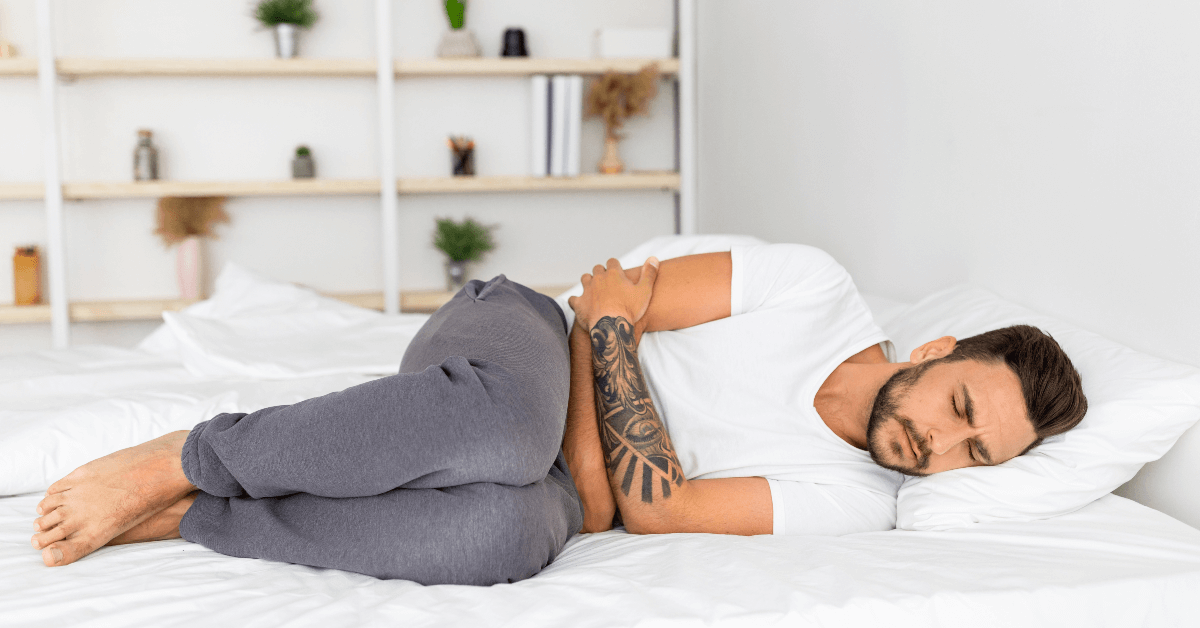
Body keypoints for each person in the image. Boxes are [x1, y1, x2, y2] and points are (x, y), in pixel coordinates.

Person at [28, 244, 1087, 585]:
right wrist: (605, 465)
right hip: (515, 342)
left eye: (971, 452)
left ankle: (195, 514)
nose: (936, 445)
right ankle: (192, 450)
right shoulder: (811, 285)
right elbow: (595, 299)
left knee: (508, 535)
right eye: (957, 406)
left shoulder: (859, 500)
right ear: (941, 351)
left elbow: (663, 518)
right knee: (507, 438)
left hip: (550, 462)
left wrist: (616, 354)